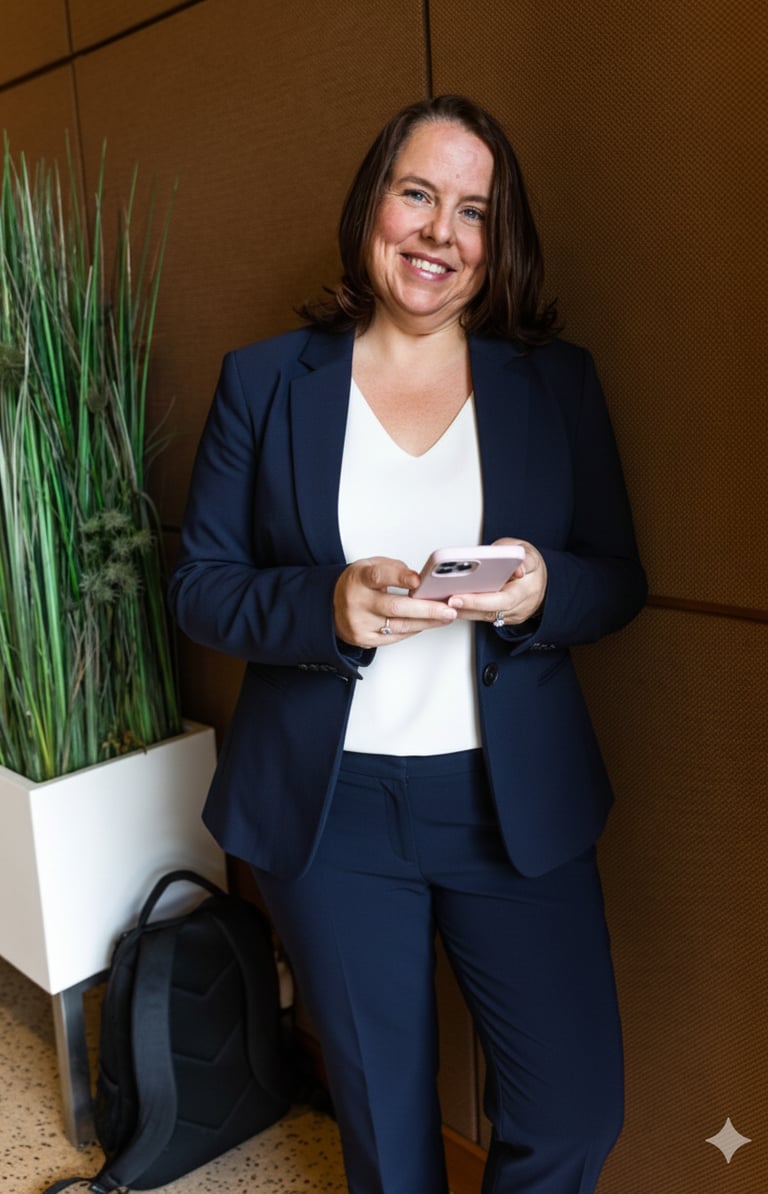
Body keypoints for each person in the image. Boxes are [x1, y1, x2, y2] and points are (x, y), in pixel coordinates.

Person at [170, 94, 647, 1194]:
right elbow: (200, 588)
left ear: (498, 240)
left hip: (511, 804)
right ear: (372, 207)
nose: (440, 232)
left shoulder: (555, 384)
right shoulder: (265, 381)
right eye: (418, 194)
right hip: (331, 810)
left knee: (576, 1114)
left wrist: (542, 590)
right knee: (388, 1142)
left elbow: (619, 578)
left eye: (473, 211)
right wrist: (326, 608)